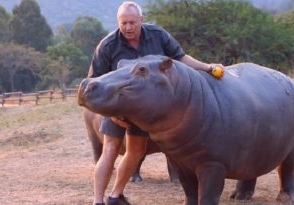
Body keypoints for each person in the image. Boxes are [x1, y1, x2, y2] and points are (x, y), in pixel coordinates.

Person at [87, 2, 224, 205]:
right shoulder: (108, 45)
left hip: (145, 111)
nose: (128, 27)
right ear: (118, 23)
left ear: (141, 20)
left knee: (135, 153)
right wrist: (112, 114)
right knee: (110, 151)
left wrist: (207, 67)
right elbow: (94, 82)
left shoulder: (157, 35)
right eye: (123, 23)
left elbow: (180, 58)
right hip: (118, 109)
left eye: (132, 22)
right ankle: (98, 201)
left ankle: (115, 196)